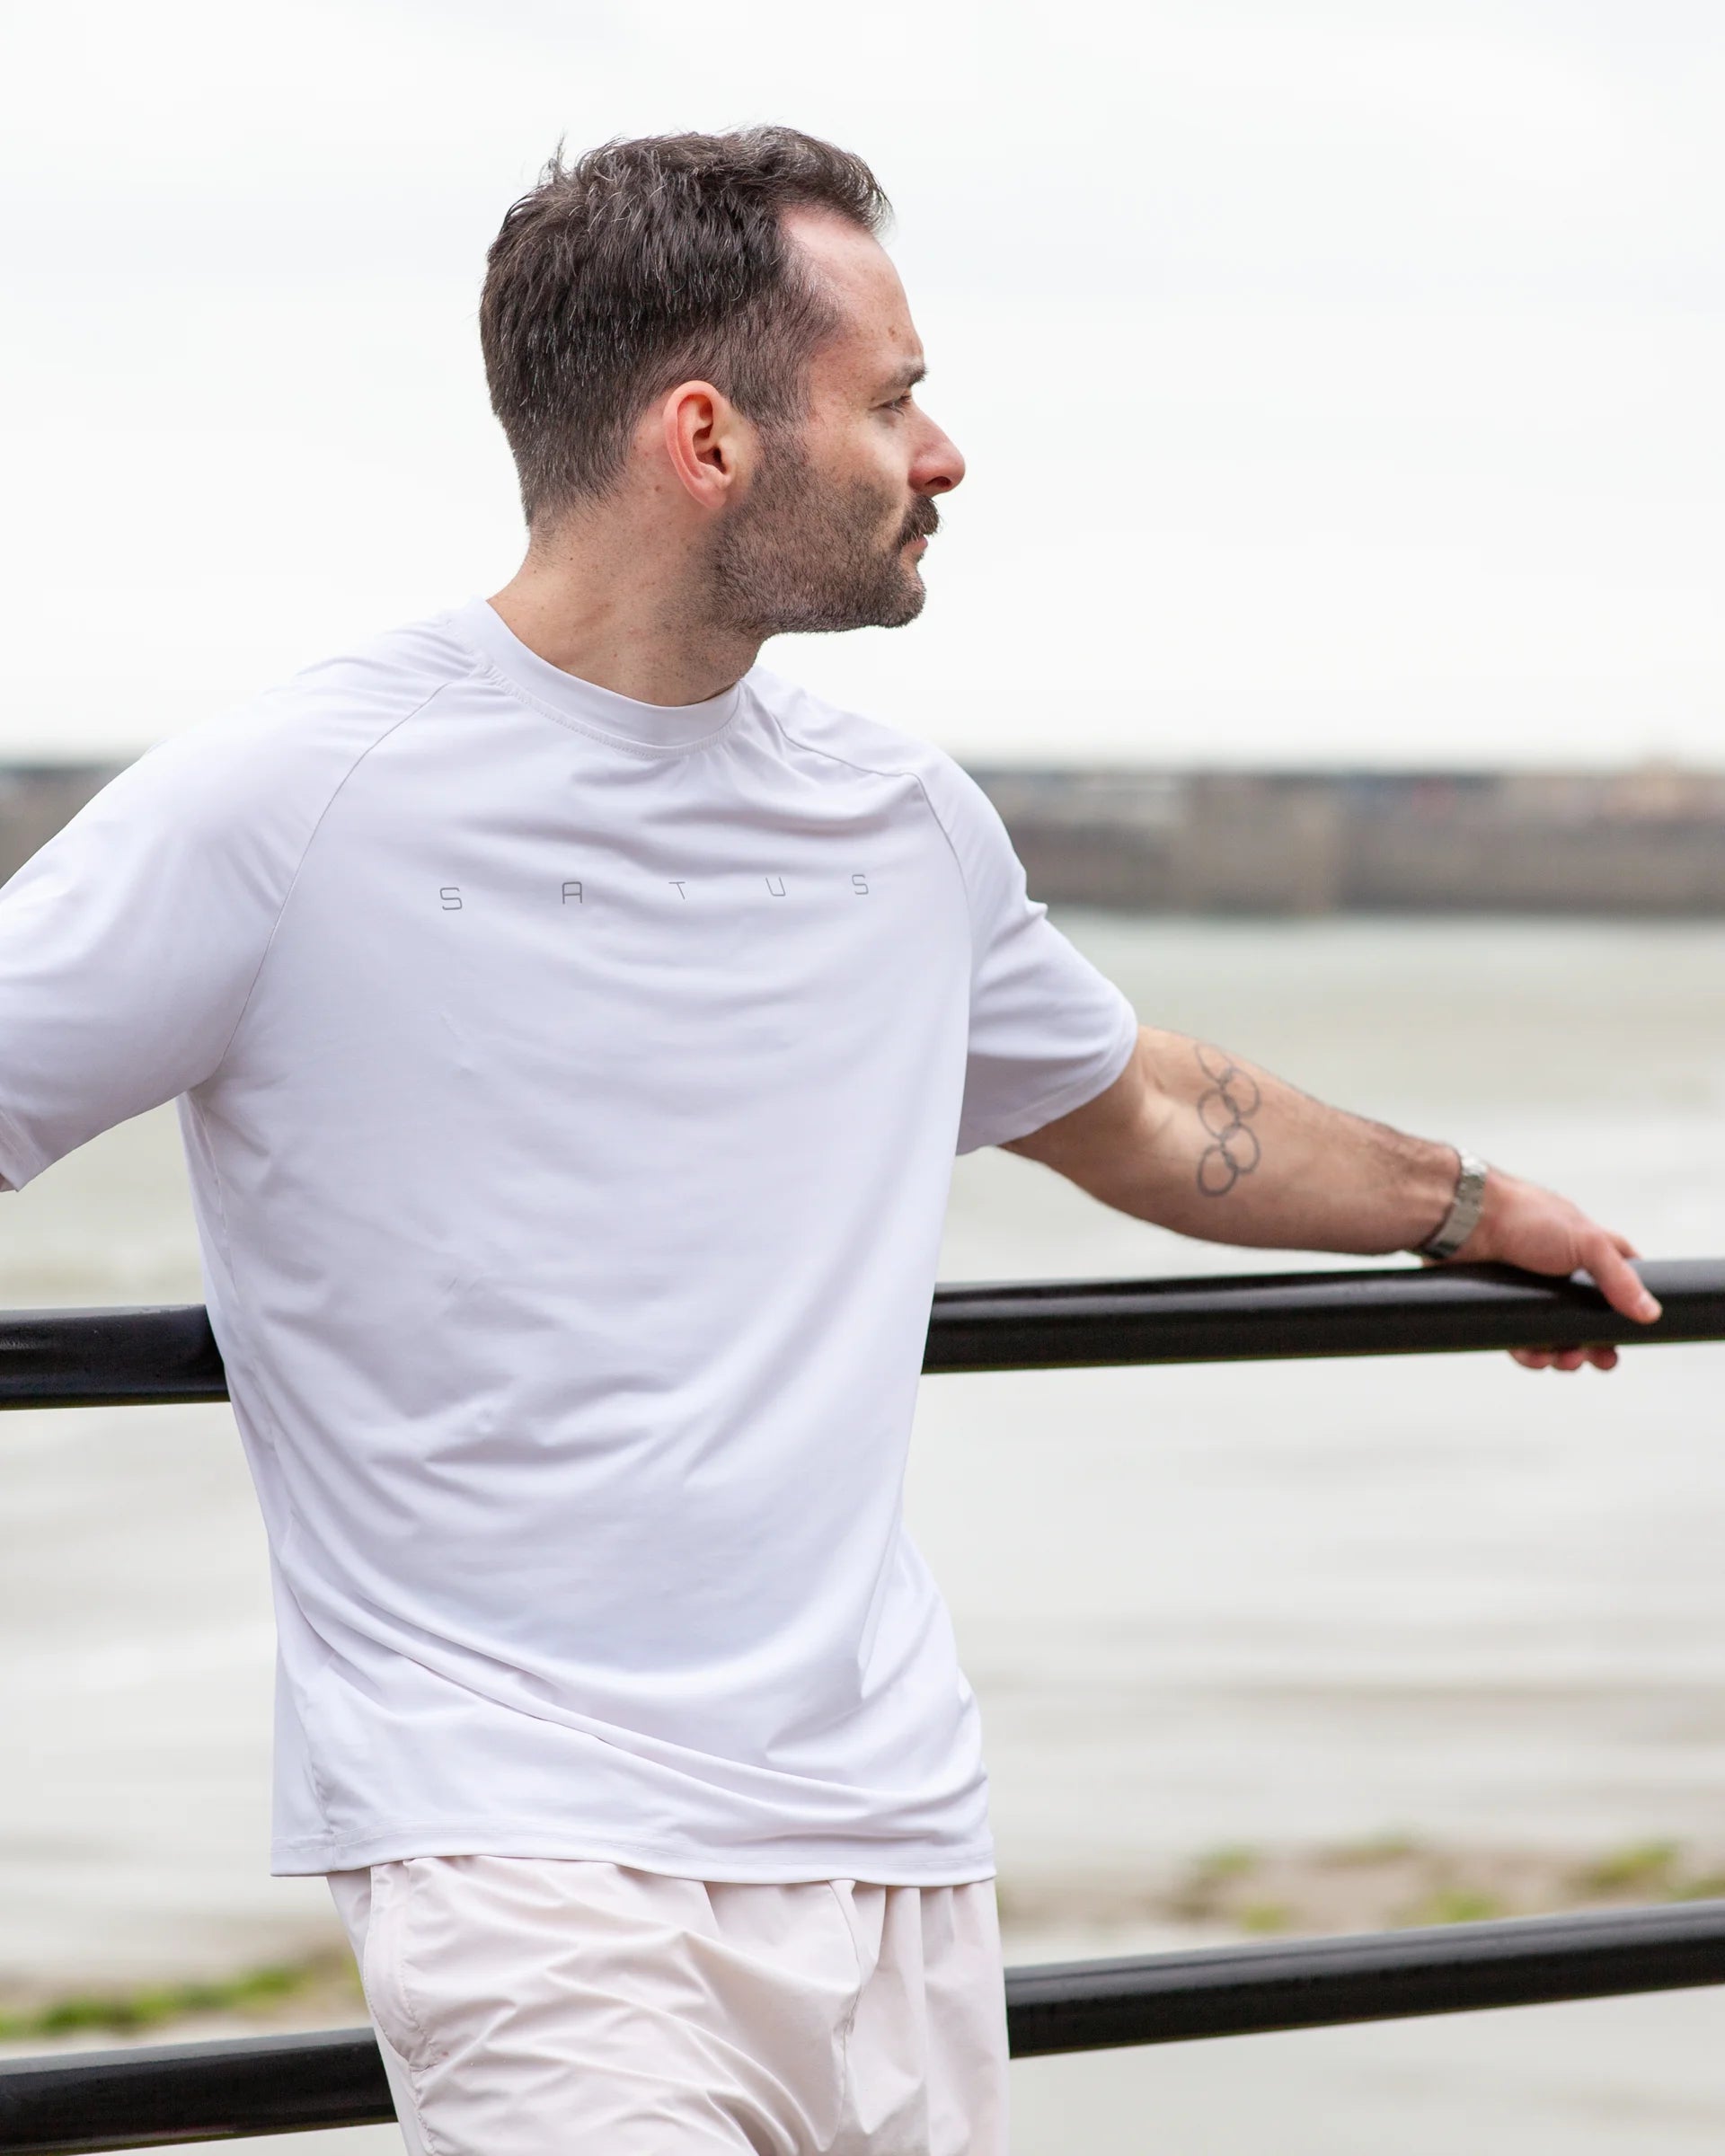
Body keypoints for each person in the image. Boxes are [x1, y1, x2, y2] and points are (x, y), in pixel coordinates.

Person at [0, 128, 1657, 2154]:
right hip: (525, 1862)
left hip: (894, 1847)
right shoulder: (296, 802)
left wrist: (1469, 1206)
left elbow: (1131, 1108)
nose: (942, 454)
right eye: (891, 402)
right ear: (707, 437)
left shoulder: (897, 823)